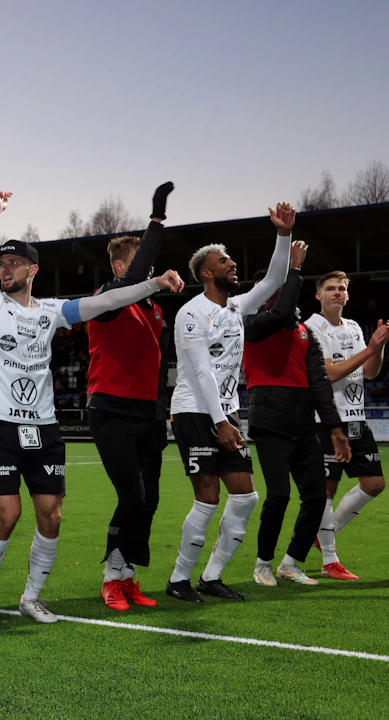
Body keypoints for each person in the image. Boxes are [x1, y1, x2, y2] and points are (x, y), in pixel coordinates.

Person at [0, 190, 184, 626]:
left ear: (33, 270)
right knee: (8, 515)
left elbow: (107, 302)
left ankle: (32, 598)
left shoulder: (52, 311)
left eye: (13, 263)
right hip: (0, 427)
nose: (3, 269)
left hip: (44, 430)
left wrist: (153, 284)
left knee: (53, 516)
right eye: (1, 264)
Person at [166, 203, 294, 603]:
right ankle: (179, 580)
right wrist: (221, 422)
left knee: (246, 496)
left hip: (225, 413)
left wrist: (284, 235)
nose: (233, 264)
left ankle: (212, 576)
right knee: (207, 496)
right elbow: (202, 372)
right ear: (206, 273)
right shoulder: (191, 313)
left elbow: (274, 278)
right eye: (224, 261)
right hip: (193, 411)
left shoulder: (237, 306)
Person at [87, 183, 175, 611]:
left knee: (151, 499)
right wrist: (156, 219)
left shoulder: (153, 310)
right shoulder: (105, 300)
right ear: (124, 267)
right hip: (111, 410)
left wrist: (162, 411)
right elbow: (136, 278)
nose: (151, 272)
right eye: (142, 266)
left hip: (149, 414)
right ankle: (110, 578)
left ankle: (128, 577)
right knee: (133, 496)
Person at [244, 251, 352, 586]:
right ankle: (262, 564)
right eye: (272, 288)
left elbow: (319, 382)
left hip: (304, 423)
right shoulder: (251, 322)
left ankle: (290, 562)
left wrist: (335, 427)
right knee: (279, 495)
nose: (280, 293)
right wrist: (293, 269)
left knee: (317, 497)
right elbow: (279, 312)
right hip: (269, 419)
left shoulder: (305, 333)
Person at [306, 271, 387, 580]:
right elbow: (329, 373)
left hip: (357, 418)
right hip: (327, 420)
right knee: (327, 490)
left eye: (342, 288)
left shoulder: (353, 327)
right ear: (319, 295)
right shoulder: (312, 328)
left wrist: (377, 348)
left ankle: (325, 532)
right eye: (330, 288)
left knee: (374, 484)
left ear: (347, 295)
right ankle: (330, 559)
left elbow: (369, 373)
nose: (337, 293)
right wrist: (371, 347)